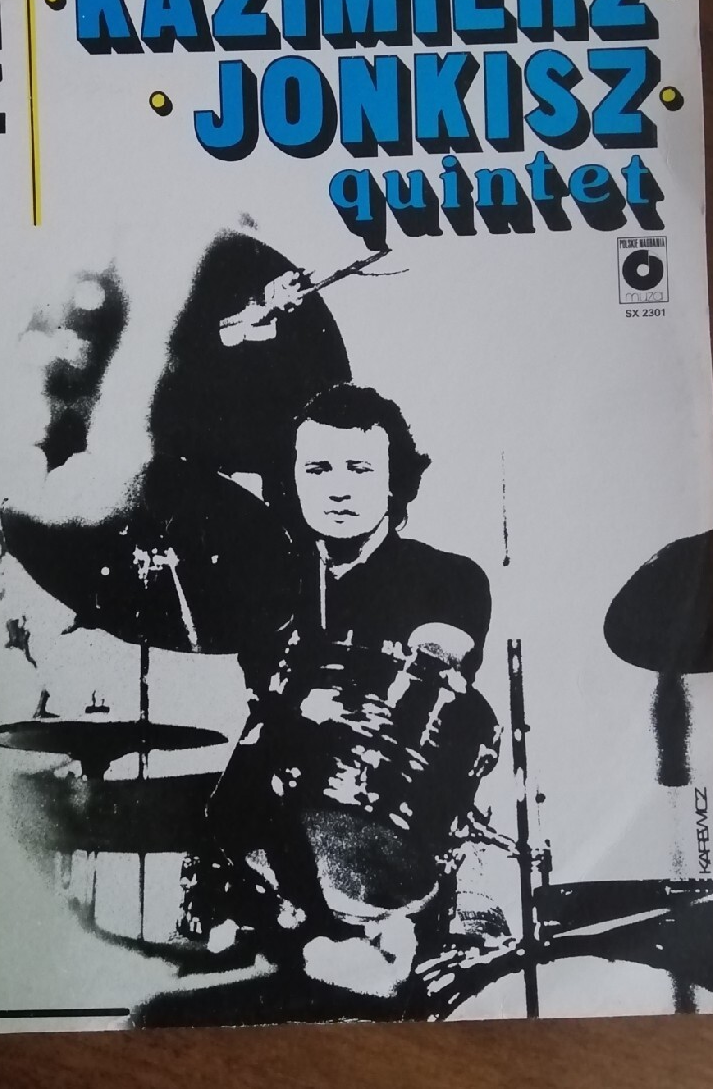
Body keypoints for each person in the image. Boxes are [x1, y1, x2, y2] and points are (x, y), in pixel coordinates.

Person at [192, 383, 500, 995]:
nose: (338, 488)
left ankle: (377, 942)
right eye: (318, 469)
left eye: (359, 469)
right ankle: (308, 943)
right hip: (280, 837)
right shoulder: (271, 590)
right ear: (293, 480)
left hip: (395, 835)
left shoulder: (449, 577)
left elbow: (440, 655)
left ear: (395, 482)